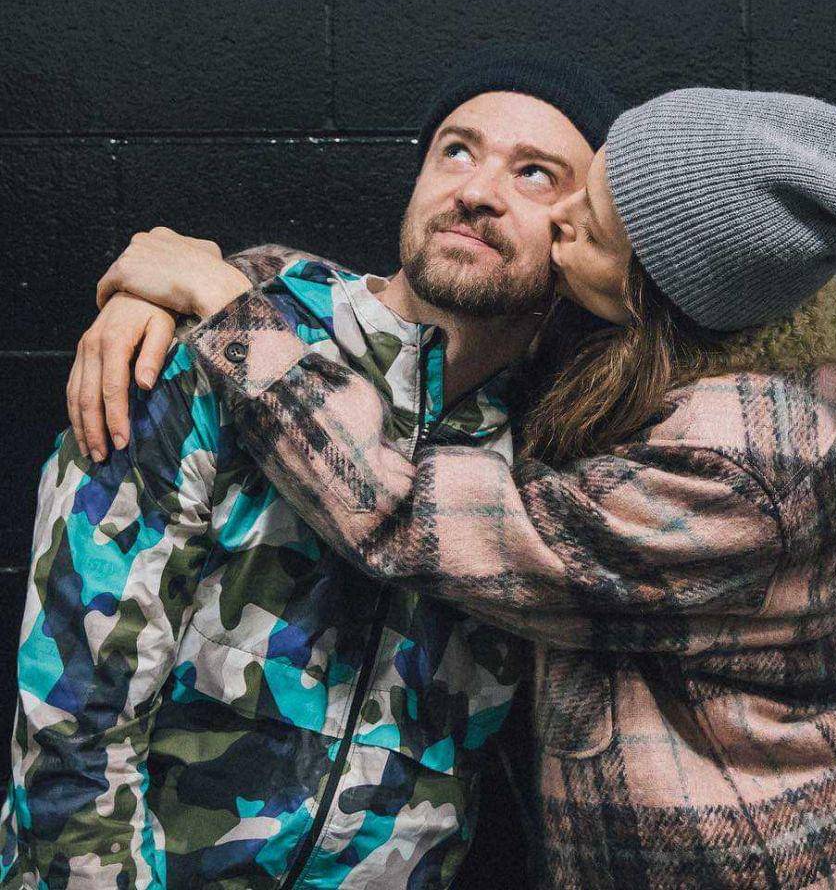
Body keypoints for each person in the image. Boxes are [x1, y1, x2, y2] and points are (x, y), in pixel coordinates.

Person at [74, 87, 836, 888]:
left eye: (568, 202)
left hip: (774, 867)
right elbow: (80, 704)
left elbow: (406, 516)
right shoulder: (645, 364)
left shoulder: (738, 465)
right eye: (457, 151)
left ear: (653, 290)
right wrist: (184, 285)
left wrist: (228, 307)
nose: (528, 208)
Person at [0, 46, 623, 888]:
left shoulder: (556, 455)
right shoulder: (211, 348)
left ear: (582, 232)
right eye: (456, 150)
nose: (477, 191)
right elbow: (75, 717)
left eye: (535, 173)